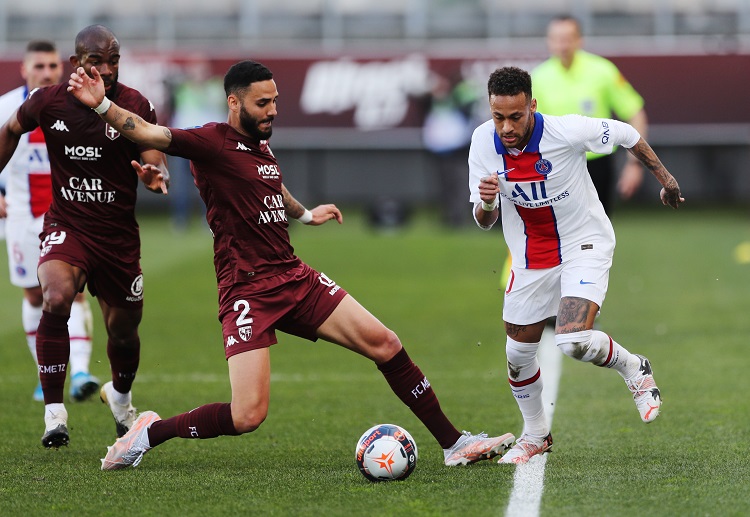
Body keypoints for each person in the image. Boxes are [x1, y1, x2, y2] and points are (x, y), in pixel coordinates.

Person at [68, 59, 515, 470]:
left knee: (385, 343)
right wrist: (102, 103)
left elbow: (272, 187)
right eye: (263, 103)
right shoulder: (211, 141)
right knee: (247, 415)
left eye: (276, 101)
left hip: (293, 276)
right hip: (247, 291)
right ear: (234, 101)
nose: (273, 110)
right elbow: (148, 133)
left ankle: (454, 444)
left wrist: (304, 214)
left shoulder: (260, 147)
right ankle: (150, 431)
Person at [468, 67, 683, 465]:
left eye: (516, 116)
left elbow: (627, 135)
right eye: (499, 116)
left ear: (532, 105)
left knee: (572, 341)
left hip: (584, 242)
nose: (507, 126)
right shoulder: (482, 142)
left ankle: (634, 366)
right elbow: (484, 221)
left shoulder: (566, 131)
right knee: (517, 354)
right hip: (532, 257)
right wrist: (486, 202)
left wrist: (666, 179)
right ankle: (536, 435)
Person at [0, 25, 169, 449]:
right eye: (98, 61)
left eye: (114, 60)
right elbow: (10, 130)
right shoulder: (48, 102)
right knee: (55, 298)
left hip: (117, 238)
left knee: (125, 331)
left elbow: (155, 157)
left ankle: (120, 398)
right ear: (77, 63)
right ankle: (54, 414)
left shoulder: (133, 103)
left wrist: (154, 175)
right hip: (67, 227)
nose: (108, 69)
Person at [0, 40, 99, 404]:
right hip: (23, 216)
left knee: (74, 291)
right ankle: (46, 375)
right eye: (38, 66)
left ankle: (82, 371)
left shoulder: (76, 102)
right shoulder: (7, 108)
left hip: (68, 215)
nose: (46, 72)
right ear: (24, 70)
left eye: (51, 66)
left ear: (62, 69)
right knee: (33, 294)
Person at [533, 15, 648, 215]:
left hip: (597, 164)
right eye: (557, 38)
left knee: (599, 232)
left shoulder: (602, 71)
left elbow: (635, 112)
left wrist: (635, 163)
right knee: (561, 231)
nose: (563, 45)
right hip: (557, 165)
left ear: (579, 40)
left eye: (568, 38)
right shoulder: (538, 77)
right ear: (548, 41)